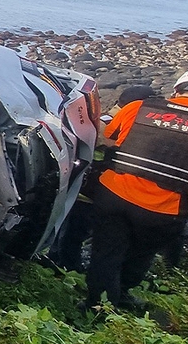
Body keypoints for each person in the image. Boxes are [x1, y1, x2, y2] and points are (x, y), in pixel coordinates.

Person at [85, 68, 188, 309]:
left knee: (106, 251)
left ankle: (96, 305)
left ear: (177, 90)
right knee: (141, 253)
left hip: (115, 194)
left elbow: (105, 136)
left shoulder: (138, 107)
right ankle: (121, 295)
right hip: (163, 209)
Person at [52, 84, 155, 273]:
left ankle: (62, 261)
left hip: (81, 185)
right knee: (76, 230)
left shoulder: (100, 119)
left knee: (70, 226)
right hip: (89, 188)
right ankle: (65, 264)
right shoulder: (112, 125)